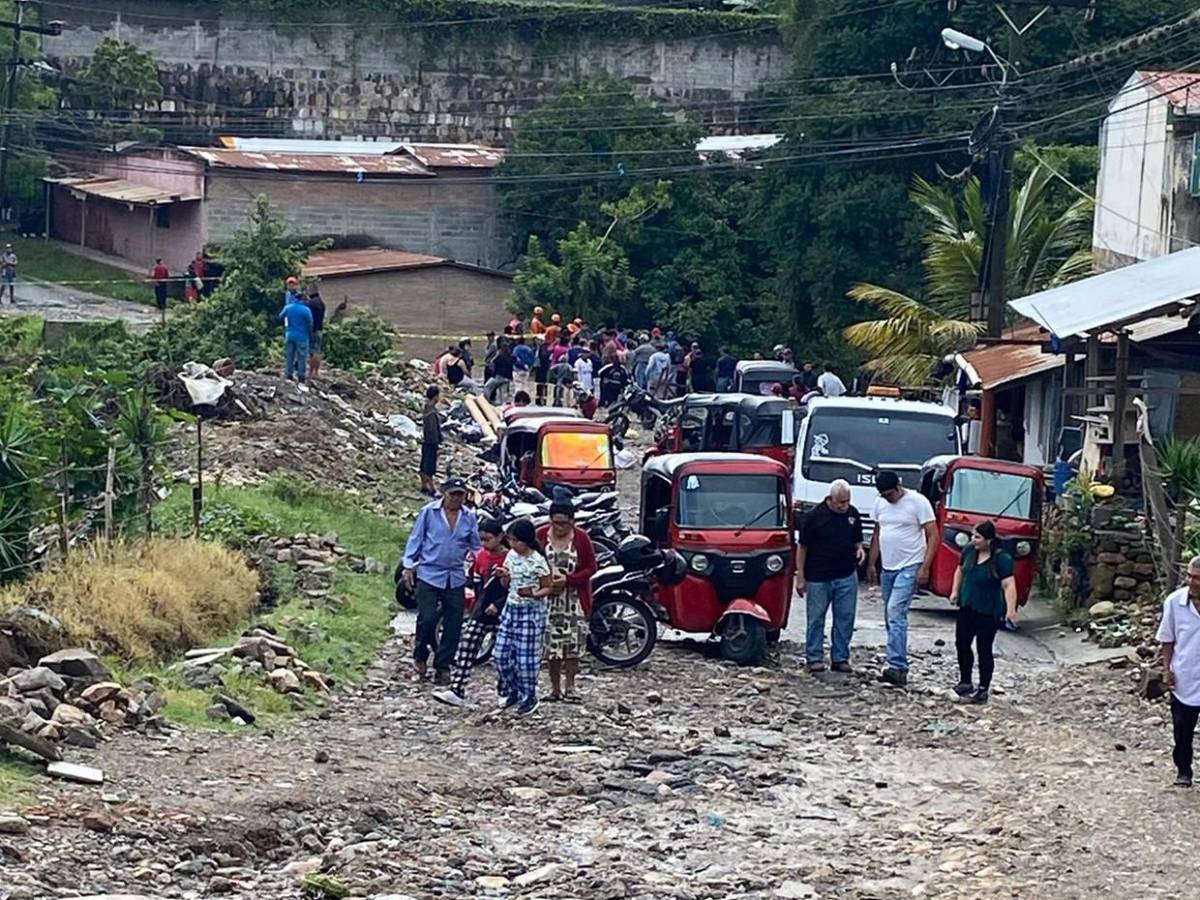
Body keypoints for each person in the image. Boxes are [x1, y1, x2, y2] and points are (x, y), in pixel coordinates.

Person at [402, 477, 481, 684]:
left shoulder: (469, 517)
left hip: (455, 575)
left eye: (460, 495)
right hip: (429, 572)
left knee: (454, 623)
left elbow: (474, 544)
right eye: (453, 494)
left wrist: (479, 560)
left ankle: (443, 666)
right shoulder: (429, 512)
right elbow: (416, 539)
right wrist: (409, 565)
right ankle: (420, 655)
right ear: (444, 494)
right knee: (427, 618)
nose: (456, 499)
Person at [867, 470, 937, 686]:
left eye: (890, 494)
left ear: (899, 487)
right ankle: (894, 658)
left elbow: (933, 534)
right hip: (888, 566)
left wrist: (925, 567)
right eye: (884, 496)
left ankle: (897, 665)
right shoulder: (880, 504)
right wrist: (872, 562)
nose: (888, 499)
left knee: (895, 611)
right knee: (891, 616)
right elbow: (878, 533)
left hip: (910, 563)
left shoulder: (918, 502)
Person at [433, 518, 509, 708]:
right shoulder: (481, 556)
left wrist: (498, 605)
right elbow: (476, 581)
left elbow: (513, 588)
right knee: (466, 647)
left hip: (504, 611)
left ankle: (506, 692)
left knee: (504, 655)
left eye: (488, 539)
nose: (484, 544)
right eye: (481, 540)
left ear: (500, 537)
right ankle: (457, 689)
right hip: (481, 609)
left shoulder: (511, 558)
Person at [798, 480, 865, 674]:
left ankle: (840, 657)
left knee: (845, 617)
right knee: (816, 617)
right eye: (840, 502)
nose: (844, 506)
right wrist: (800, 576)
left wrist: (859, 549)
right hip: (818, 576)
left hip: (846, 574)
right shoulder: (814, 517)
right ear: (830, 499)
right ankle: (814, 656)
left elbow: (857, 540)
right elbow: (803, 548)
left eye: (847, 501)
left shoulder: (852, 514)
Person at [537, 497, 598, 703]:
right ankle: (554, 688)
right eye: (556, 522)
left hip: (574, 600)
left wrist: (569, 580)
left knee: (573, 645)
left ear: (572, 521)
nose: (559, 527)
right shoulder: (541, 535)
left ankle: (570, 686)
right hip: (548, 600)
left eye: (564, 523)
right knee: (551, 645)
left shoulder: (581, 538)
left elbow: (591, 567)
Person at [949, 521, 1017, 704]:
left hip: (989, 610)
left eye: (978, 537)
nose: (974, 540)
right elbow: (960, 570)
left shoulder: (1001, 559)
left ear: (989, 540)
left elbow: (1008, 584)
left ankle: (983, 688)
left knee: (984, 648)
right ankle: (965, 681)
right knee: (962, 643)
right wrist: (955, 591)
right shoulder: (969, 552)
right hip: (967, 605)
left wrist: (1011, 610)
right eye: (973, 536)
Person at [493, 518, 554, 715]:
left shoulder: (538, 561)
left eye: (515, 540)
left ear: (525, 541)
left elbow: (548, 587)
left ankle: (529, 697)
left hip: (531, 612)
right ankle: (513, 689)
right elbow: (506, 584)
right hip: (511, 609)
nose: (512, 544)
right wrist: (504, 576)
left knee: (526, 659)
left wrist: (533, 594)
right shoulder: (511, 555)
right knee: (501, 655)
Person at [1157, 555, 1200, 787]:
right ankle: (1184, 770)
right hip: (1184, 675)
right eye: (1189, 577)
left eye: (1198, 579)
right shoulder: (1174, 602)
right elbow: (1167, 639)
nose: (1192, 582)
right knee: (1183, 729)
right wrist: (1166, 670)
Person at [280, 288, 313, 383]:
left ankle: (288, 375)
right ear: (303, 300)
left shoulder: (288, 307)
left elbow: (281, 316)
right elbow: (310, 323)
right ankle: (301, 376)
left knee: (289, 355)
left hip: (289, 334)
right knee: (302, 357)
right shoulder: (306, 310)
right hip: (302, 336)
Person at [305, 287, 327, 379]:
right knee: (317, 351)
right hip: (319, 329)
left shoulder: (311, 303)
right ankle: (316, 372)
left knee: (312, 352)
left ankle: (310, 372)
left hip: (312, 330)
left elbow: (308, 317)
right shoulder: (322, 303)